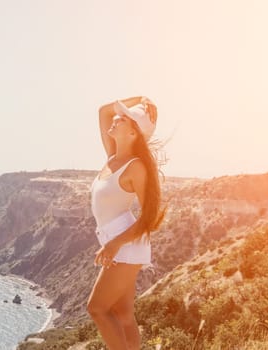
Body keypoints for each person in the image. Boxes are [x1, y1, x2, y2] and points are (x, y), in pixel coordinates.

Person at [86, 96, 166, 350]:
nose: (115, 119)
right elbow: (103, 111)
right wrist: (139, 98)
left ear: (133, 132)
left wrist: (114, 245)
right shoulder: (112, 158)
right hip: (118, 242)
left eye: (123, 119)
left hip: (126, 244)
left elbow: (150, 217)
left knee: (96, 308)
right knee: (123, 314)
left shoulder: (135, 168)